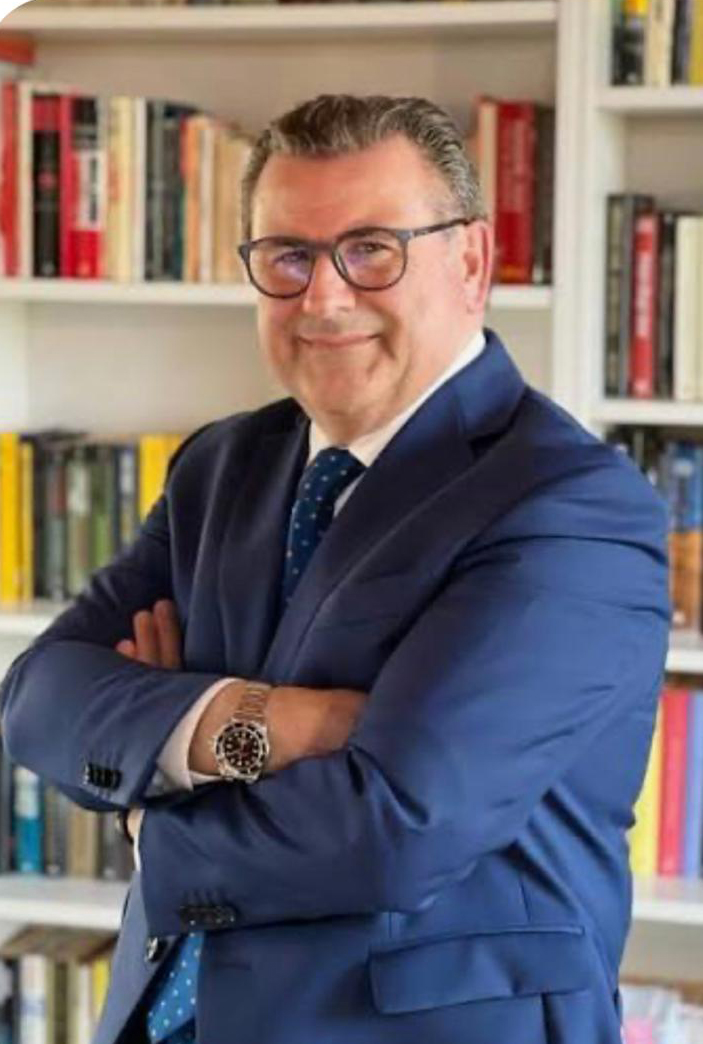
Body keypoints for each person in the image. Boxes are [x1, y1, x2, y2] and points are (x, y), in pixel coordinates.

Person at [0, 94, 670, 1044]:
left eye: (370, 250)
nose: (322, 297)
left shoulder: (565, 505)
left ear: (470, 263)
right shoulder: (222, 464)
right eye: (288, 256)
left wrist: (153, 817)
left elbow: (393, 829)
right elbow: (38, 699)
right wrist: (266, 724)